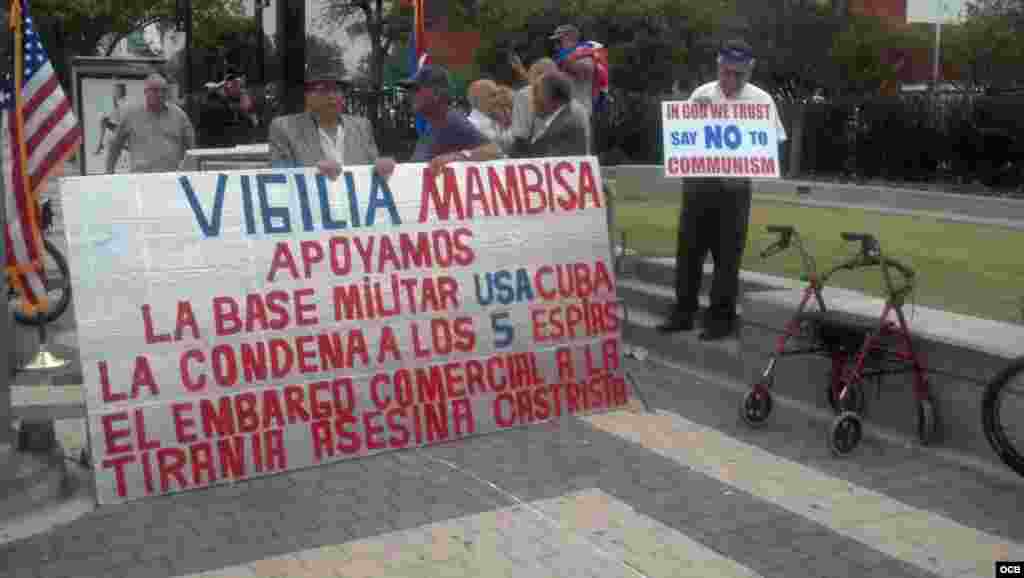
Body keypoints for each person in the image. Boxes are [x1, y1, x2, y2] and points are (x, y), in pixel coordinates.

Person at [658, 38, 787, 341]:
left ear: (750, 71)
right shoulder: (701, 94)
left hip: (735, 189)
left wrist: (745, 174)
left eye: (738, 74)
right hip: (698, 185)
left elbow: (773, 144)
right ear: (718, 65)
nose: (731, 79)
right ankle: (683, 312)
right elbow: (682, 139)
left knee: (728, 257)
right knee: (688, 252)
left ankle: (721, 319)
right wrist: (695, 116)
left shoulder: (761, 101)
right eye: (726, 72)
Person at [267, 72, 396, 181]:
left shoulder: (362, 126)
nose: (332, 96)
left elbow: (373, 166)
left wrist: (382, 167)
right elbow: (279, 171)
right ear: (307, 96)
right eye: (323, 90)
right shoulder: (284, 127)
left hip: (355, 206)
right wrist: (314, 171)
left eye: (337, 90)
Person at [399, 64, 502, 174]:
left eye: (415, 89)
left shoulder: (452, 120)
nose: (410, 95)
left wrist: (456, 157)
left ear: (436, 93)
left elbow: (495, 150)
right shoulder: (433, 124)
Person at [105, 72, 196, 174]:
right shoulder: (131, 115)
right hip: (141, 178)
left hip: (172, 178)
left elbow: (192, 150)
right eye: (155, 90)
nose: (160, 94)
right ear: (145, 91)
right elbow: (115, 145)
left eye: (164, 90)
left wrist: (192, 173)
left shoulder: (179, 115)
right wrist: (109, 172)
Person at [516, 71, 589, 158]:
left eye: (537, 93)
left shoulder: (568, 126)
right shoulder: (554, 121)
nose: (533, 100)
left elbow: (548, 163)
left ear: (550, 96)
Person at [507, 58, 558, 155]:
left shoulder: (524, 94)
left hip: (537, 157)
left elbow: (520, 135)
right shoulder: (570, 96)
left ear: (536, 75)